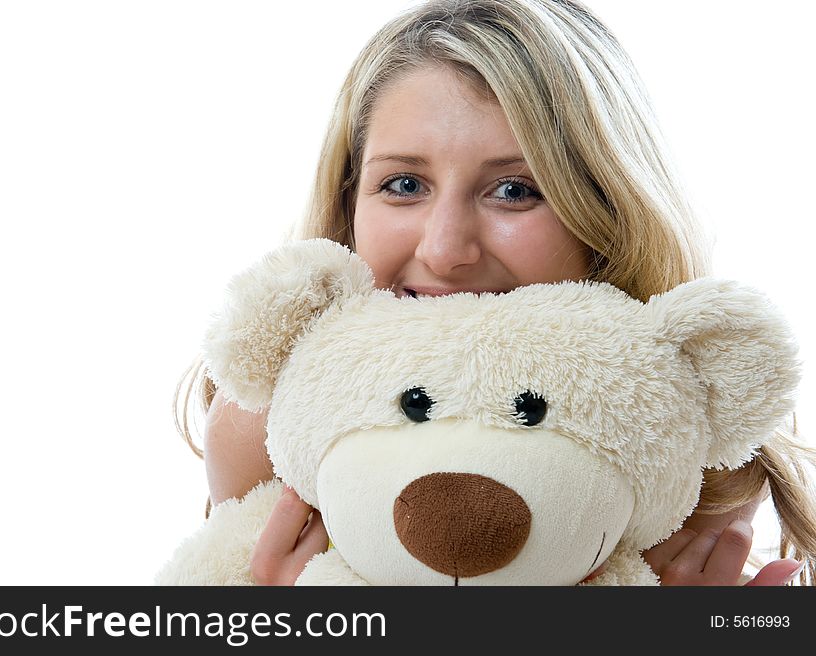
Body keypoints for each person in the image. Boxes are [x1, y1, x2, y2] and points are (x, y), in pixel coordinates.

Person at [175, 0, 816, 585]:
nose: (445, 250)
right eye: (403, 185)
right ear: (349, 203)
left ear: (609, 212)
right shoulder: (261, 421)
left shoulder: (680, 442)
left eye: (515, 190)